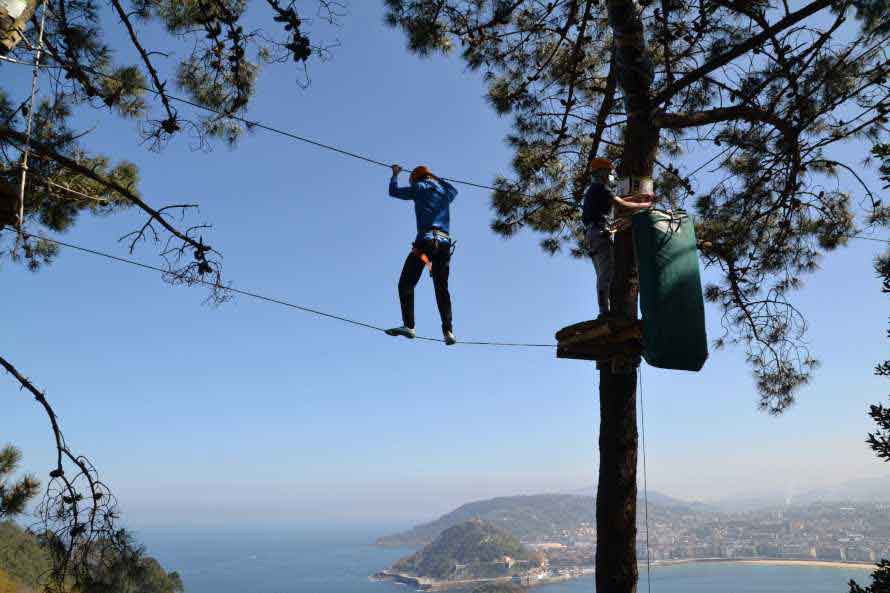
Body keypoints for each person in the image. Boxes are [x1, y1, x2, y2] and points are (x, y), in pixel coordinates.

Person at [385, 164, 458, 345]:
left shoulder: (419, 187)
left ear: (415, 179)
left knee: (406, 284)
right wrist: (435, 177)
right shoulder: (444, 191)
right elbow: (454, 191)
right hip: (443, 246)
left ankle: (409, 326)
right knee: (441, 288)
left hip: (425, 244)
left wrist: (395, 175)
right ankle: (448, 331)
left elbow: (393, 192)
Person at [582, 158, 653, 318]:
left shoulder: (596, 189)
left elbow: (619, 201)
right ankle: (604, 312)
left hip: (594, 233)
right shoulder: (600, 188)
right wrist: (645, 206)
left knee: (604, 272)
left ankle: (604, 309)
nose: (609, 176)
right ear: (602, 174)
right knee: (607, 273)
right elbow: (621, 205)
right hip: (598, 232)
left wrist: (639, 199)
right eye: (607, 173)